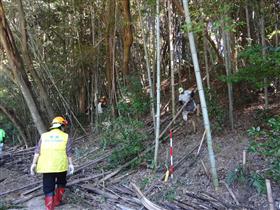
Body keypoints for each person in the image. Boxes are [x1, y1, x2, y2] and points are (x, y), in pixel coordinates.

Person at [30, 116, 74, 210]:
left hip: (46, 166)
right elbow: (68, 152)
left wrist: (33, 164)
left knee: (48, 186)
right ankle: (58, 201)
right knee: (61, 182)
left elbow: (37, 151)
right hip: (60, 165)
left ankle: (50, 208)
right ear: (62, 125)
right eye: (64, 126)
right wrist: (71, 164)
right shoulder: (66, 136)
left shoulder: (44, 136)